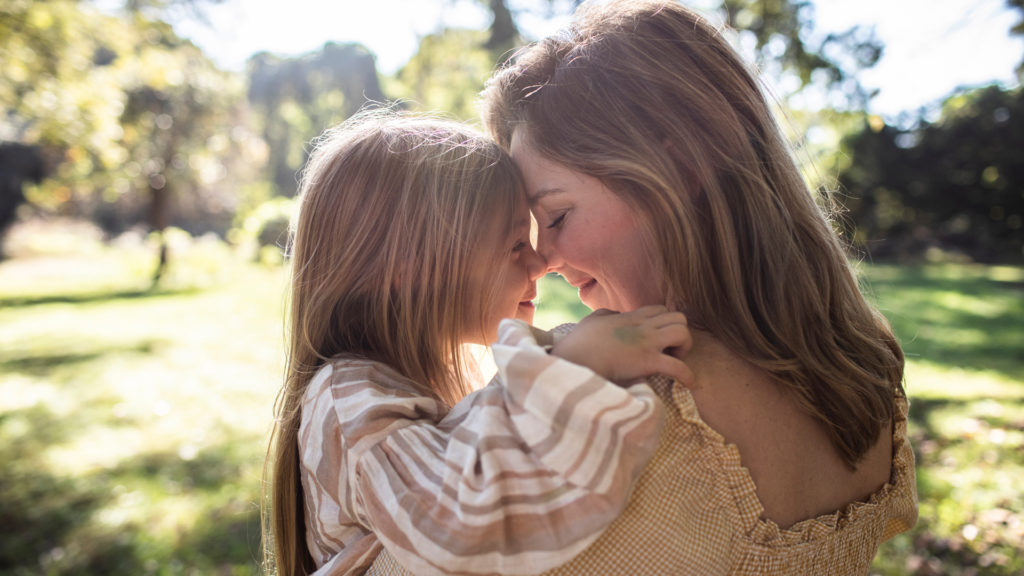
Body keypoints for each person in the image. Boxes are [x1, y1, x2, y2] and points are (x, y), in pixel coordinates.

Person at [370, 1, 918, 574]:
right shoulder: (867, 375)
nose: (544, 260)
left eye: (554, 218)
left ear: (676, 171)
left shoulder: (613, 407)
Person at [262, 109, 696, 576]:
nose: (540, 263)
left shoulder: (398, 385)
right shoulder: (346, 399)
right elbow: (453, 528)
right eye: (514, 246)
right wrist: (574, 366)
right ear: (405, 271)